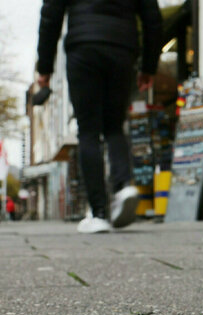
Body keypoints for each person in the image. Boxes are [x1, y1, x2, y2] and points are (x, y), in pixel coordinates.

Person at [36, 0, 163, 233]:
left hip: (83, 48)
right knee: (114, 125)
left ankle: (99, 213)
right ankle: (124, 186)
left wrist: (44, 67)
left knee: (88, 130)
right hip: (122, 48)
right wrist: (149, 66)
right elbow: (152, 19)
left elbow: (50, 16)